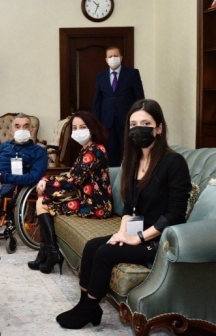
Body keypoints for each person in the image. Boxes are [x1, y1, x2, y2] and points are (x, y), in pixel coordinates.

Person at [56, 99, 191, 329]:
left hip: (160, 240)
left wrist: (137, 238)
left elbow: (175, 214)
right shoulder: (133, 159)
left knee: (105, 253)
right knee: (92, 246)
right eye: (134, 124)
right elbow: (129, 207)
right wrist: (122, 234)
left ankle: (89, 308)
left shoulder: (173, 162)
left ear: (159, 128)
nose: (139, 129)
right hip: (137, 232)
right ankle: (85, 304)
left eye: (146, 124)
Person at [27, 111, 113, 274]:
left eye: (83, 127)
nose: (78, 131)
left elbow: (74, 180)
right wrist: (47, 179)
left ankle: (50, 253)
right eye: (75, 128)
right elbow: (71, 174)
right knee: (44, 197)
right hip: (85, 199)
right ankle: (47, 253)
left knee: (43, 202)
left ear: (92, 128)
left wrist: (46, 181)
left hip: (97, 206)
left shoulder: (94, 150)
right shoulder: (86, 149)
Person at [0, 113, 48, 224]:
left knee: (5, 186)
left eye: (25, 126)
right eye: (17, 127)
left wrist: (3, 178)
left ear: (31, 130)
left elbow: (33, 177)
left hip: (14, 184)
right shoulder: (5, 145)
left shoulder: (39, 151)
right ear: (11, 131)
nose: (21, 130)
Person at [92, 46, 145, 167]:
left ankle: (132, 173)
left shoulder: (132, 74)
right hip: (107, 123)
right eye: (110, 56)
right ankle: (114, 175)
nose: (113, 58)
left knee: (131, 151)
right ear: (106, 60)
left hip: (127, 121)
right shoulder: (100, 76)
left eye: (115, 56)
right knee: (111, 154)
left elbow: (140, 98)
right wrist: (96, 124)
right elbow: (97, 101)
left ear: (121, 58)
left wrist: (140, 119)